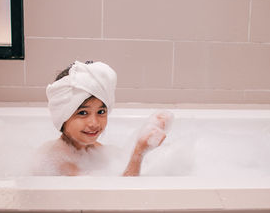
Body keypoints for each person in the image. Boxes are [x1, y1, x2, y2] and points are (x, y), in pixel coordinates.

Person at [32, 60, 172, 176]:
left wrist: (150, 131)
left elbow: (119, 162)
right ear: (63, 115)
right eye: (83, 113)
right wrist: (139, 153)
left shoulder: (89, 147)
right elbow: (117, 199)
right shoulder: (60, 163)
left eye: (101, 111)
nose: (94, 123)